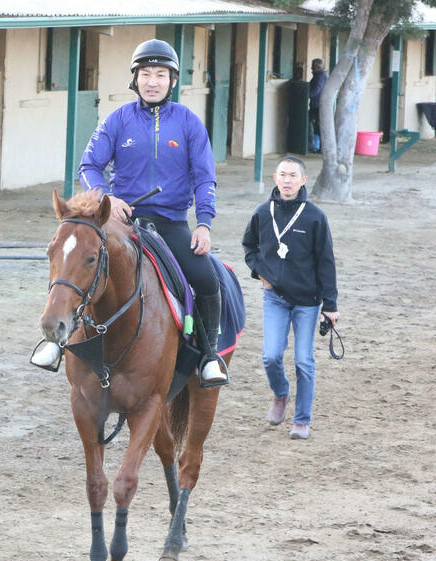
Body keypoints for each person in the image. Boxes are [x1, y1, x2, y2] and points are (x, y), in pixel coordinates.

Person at [34, 38, 227, 386]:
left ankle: (209, 355)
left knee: (206, 278)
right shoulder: (117, 120)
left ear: (172, 81)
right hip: (122, 223)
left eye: (161, 74)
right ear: (135, 78)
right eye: (146, 74)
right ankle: (56, 342)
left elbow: (205, 178)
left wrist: (204, 224)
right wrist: (108, 197)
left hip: (170, 224)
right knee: (75, 263)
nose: (153, 81)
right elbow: (89, 165)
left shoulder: (189, 123)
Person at [242, 156, 339, 440]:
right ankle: (281, 394)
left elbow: (326, 262)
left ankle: (302, 419)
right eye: (282, 174)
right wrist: (260, 273)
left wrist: (330, 306)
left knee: (303, 360)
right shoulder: (262, 212)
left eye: (293, 175)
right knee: (271, 355)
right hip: (275, 298)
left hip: (307, 302)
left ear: (303, 180)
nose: (287, 180)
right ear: (275, 178)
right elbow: (249, 246)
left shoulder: (315, 217)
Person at [309, 58, 327, 153]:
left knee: (318, 126)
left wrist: (308, 95)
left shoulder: (320, 76)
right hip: (317, 104)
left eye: (313, 66)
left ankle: (320, 147)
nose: (311, 68)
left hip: (318, 104)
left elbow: (316, 89)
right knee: (316, 126)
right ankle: (316, 146)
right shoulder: (319, 75)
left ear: (317, 67)